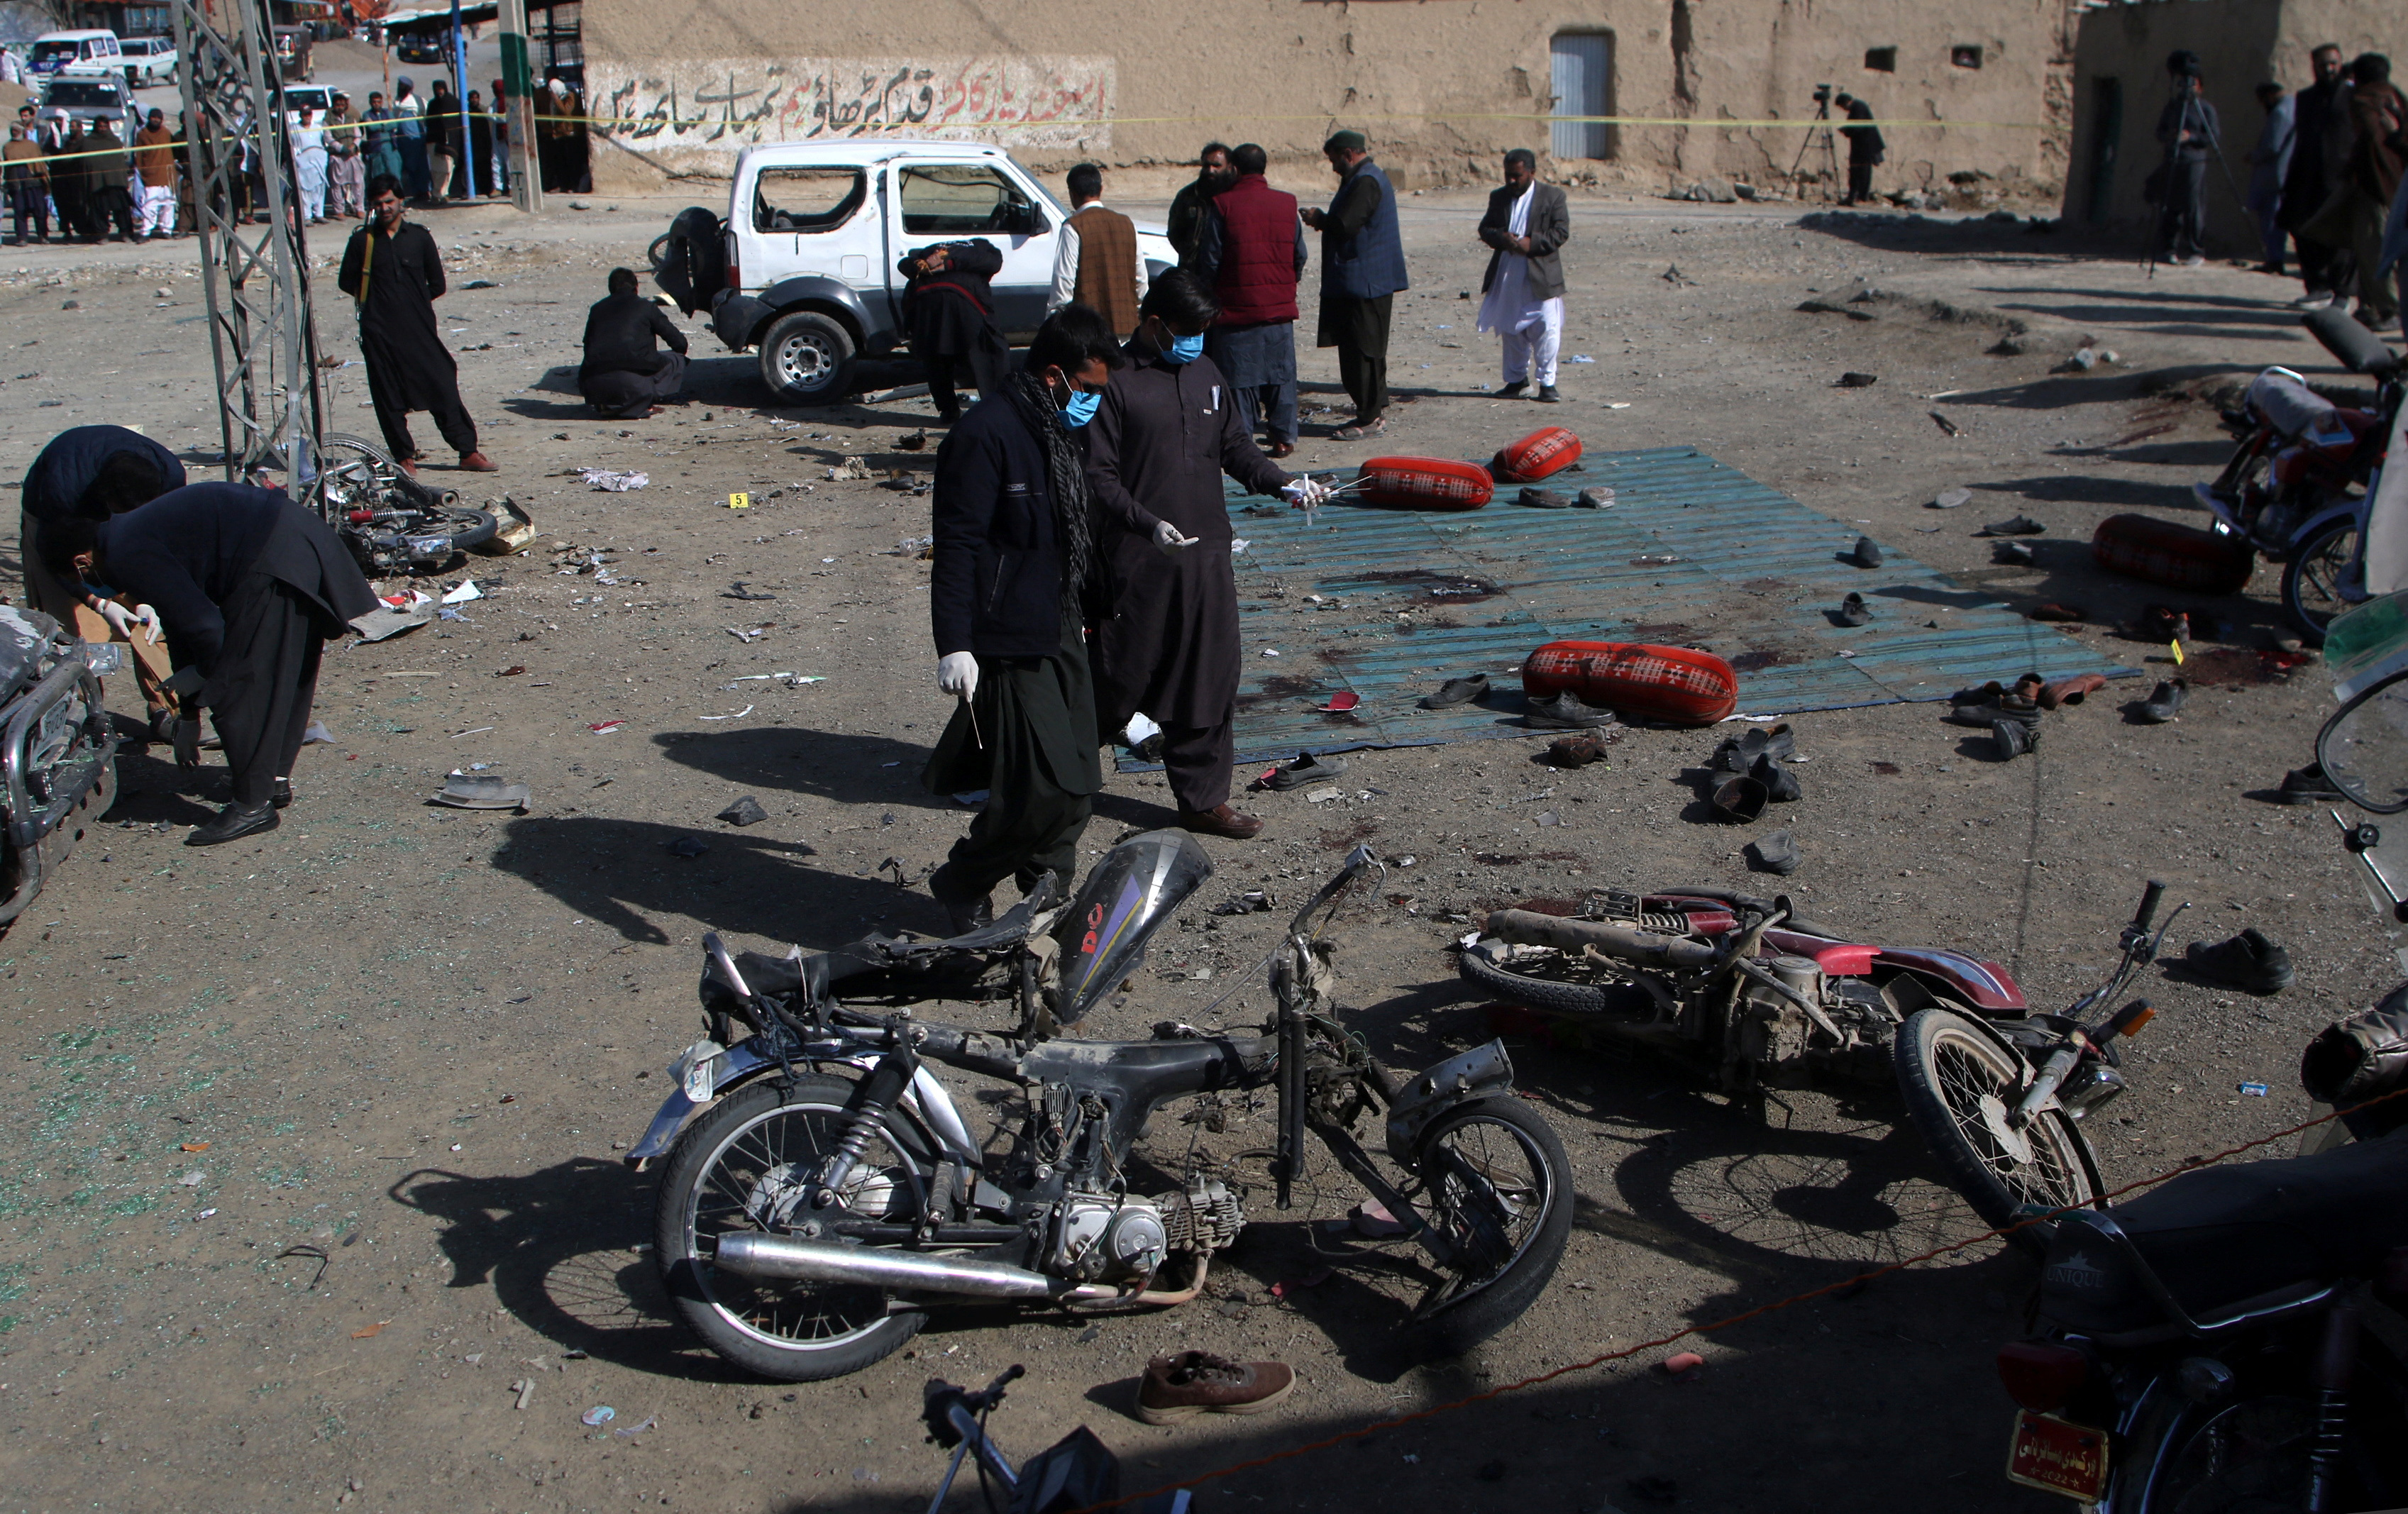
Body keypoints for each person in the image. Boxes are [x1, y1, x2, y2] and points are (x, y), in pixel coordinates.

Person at [1085, 271, 1325, 842]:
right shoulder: (1114, 383)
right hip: (1136, 564)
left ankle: (1202, 799)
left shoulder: (1206, 374)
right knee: (1117, 679)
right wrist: (1147, 524)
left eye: (1203, 330)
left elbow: (1235, 447)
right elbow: (1098, 476)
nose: (1196, 340)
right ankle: (1049, 773)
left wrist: (1283, 483)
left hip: (1206, 559)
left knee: (1208, 677)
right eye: (1188, 330)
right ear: (1155, 324)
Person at [919, 305, 1127, 934]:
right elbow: (957, 545)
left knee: (1080, 783)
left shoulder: (1058, 432)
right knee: (1042, 789)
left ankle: (1046, 891)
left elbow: (1071, 530)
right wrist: (955, 643)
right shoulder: (986, 435)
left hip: (1061, 622)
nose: (1093, 402)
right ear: (1055, 374)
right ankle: (963, 882)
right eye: (1087, 388)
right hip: (1007, 636)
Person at [35, 481, 376, 846]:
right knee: (283, 672)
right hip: (290, 540)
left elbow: (206, 629)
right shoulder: (125, 535)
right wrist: (188, 715)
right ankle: (271, 780)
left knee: (238, 685)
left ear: (81, 562)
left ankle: (252, 804)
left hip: (270, 556)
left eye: (81, 579)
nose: (90, 586)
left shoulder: (124, 554)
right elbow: (181, 622)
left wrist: (206, 681)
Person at [20, 424, 185, 735]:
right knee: (70, 632)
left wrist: (149, 597)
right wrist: (97, 601)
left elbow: (165, 546)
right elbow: (57, 562)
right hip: (55, 524)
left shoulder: (170, 475)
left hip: (117, 516)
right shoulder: (61, 492)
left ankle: (168, 708)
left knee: (154, 623)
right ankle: (81, 715)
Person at [337, 175, 497, 473]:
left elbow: (437, 284)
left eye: (389, 201)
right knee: (388, 394)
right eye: (378, 204)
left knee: (442, 384)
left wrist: (411, 303)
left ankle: (467, 452)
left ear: (401, 202)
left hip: (419, 329)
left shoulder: (419, 238)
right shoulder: (362, 241)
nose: (385, 208)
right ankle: (403, 457)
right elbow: (347, 281)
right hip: (379, 331)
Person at [1195, 141, 1308, 458]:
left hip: (1236, 312)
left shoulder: (1223, 205)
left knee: (1239, 381)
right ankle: (1283, 437)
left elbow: (1211, 261)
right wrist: (1286, 284)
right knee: (1281, 377)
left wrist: (1208, 297)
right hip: (1278, 310)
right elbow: (1299, 254)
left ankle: (1243, 442)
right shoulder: (1286, 203)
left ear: (1234, 169)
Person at [1300, 129, 1407, 439]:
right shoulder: (1364, 178)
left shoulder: (1366, 181)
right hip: (1362, 281)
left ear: (1348, 154)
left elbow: (1346, 225)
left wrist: (1319, 219)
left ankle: (1370, 417)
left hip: (1366, 282)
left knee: (1363, 352)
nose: (1333, 167)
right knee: (1363, 350)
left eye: (1334, 159)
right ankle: (1372, 412)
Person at [1476, 148, 1571, 403]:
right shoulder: (1499, 197)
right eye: (1508, 175)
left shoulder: (1553, 196)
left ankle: (1548, 384)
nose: (1511, 180)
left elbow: (1561, 232)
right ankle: (1516, 381)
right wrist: (1502, 238)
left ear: (1532, 172)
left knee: (1546, 328)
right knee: (1511, 328)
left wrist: (1531, 243)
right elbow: (1485, 229)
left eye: (1517, 176)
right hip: (1508, 274)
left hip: (1542, 276)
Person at [900, 236, 1010, 424]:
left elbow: (903, 265)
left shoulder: (930, 249)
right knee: (990, 350)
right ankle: (996, 409)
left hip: (924, 298)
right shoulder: (981, 247)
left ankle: (948, 410)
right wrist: (936, 265)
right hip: (965, 298)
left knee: (936, 355)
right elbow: (994, 262)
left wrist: (938, 264)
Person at [2336, 55, 2404, 325]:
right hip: (2394, 187)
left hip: (2376, 189)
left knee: (2374, 250)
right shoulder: (2397, 97)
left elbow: (2371, 142)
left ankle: (2390, 309)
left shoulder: (2365, 101)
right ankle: (2372, 306)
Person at [2282, 45, 2353, 307]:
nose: (2329, 69)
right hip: (2308, 177)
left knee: (2342, 240)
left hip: (2341, 179)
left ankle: (2342, 292)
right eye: (2323, 65)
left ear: (2340, 63)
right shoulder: (2306, 98)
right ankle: (2317, 286)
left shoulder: (2352, 96)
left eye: (2333, 63)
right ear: (2314, 67)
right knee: (2304, 231)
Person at [1048, 161, 1146, 337]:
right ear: (1101, 189)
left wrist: (1054, 327)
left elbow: (1063, 284)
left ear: (1072, 193)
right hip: (1127, 330)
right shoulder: (1127, 224)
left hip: (1090, 334)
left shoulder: (1073, 227)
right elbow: (1141, 282)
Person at [578, 266, 688, 417]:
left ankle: (610, 404)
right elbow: (679, 343)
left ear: (611, 289)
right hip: (634, 384)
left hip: (594, 384)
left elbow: (588, 347)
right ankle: (645, 402)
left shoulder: (596, 309)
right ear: (636, 288)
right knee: (677, 359)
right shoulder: (646, 307)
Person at [2153, 51, 2219, 266]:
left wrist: (2191, 137)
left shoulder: (2205, 109)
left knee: (2193, 207)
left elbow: (2213, 137)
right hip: (2173, 158)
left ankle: (2195, 250)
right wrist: (2170, 136)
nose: (2188, 87)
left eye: (2193, 84)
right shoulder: (2173, 107)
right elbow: (2159, 132)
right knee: (2170, 205)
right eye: (2184, 83)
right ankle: (2168, 248)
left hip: (2194, 160)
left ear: (2200, 87)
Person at [2248, 82, 2297, 274]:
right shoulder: (2294, 106)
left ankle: (2274, 260)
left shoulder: (2280, 113)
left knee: (2272, 220)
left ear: (2269, 96)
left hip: (2274, 176)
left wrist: (2254, 157)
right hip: (2286, 174)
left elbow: (2272, 146)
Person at [1166, 141, 1233, 271]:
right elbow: (1175, 232)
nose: (1210, 170)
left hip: (1227, 271)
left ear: (1229, 167)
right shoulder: (1187, 196)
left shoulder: (1236, 196)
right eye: (1207, 165)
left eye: (1217, 166)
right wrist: (1189, 253)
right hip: (1193, 270)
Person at [83, 117, 134, 243]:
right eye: (100, 126)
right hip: (98, 183)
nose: (102, 129)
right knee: (99, 210)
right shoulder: (88, 142)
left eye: (105, 126)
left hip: (115, 182)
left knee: (121, 209)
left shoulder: (114, 141)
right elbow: (86, 163)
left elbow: (119, 161)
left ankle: (125, 233)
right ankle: (102, 234)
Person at [131, 106, 176, 239]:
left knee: (168, 205)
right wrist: (144, 173)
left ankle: (167, 230)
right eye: (153, 117)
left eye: (158, 118)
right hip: (151, 176)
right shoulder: (142, 134)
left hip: (167, 176)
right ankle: (146, 231)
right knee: (149, 206)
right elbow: (139, 156)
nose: (155, 120)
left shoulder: (166, 133)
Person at [1835, 91, 1885, 205]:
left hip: (1865, 147)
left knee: (1863, 172)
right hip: (1860, 146)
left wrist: (1846, 131)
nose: (1843, 109)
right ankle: (1853, 196)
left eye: (1843, 106)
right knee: (1855, 172)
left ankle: (1861, 197)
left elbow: (1858, 127)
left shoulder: (1858, 107)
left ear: (1847, 102)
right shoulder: (1856, 108)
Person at [4, 122, 46, 245]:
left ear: (22, 131)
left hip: (33, 181)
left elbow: (40, 164)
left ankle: (42, 235)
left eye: (17, 130)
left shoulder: (32, 145)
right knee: (20, 210)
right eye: (12, 130)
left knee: (40, 210)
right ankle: (22, 237)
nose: (14, 132)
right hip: (17, 181)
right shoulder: (8, 147)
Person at [51, 118, 92, 242]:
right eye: (70, 127)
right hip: (65, 181)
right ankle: (67, 231)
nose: (71, 129)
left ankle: (84, 231)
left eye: (73, 127)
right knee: (64, 207)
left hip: (79, 181)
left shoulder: (85, 142)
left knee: (80, 207)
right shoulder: (67, 141)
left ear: (80, 127)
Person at [390, 77, 429, 201]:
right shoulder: (397, 101)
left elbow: (426, 115)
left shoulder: (417, 101)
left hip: (416, 139)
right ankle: (416, 192)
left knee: (421, 166)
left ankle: (425, 191)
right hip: (403, 140)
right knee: (410, 166)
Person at [325, 92, 363, 219]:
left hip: (352, 155)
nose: (340, 107)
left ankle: (359, 208)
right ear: (333, 105)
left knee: (357, 182)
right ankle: (339, 210)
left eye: (342, 104)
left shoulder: (351, 118)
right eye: (337, 105)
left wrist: (354, 146)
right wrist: (342, 148)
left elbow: (358, 135)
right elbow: (328, 138)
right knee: (337, 184)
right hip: (337, 156)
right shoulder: (328, 120)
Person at [292, 105, 328, 223]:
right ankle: (307, 216)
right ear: (301, 115)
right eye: (305, 114)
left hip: (319, 163)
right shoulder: (294, 128)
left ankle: (319, 214)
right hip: (304, 164)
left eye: (309, 114)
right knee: (305, 190)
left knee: (320, 188)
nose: (307, 117)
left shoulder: (318, 127)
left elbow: (325, 142)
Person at [360, 89, 402, 192]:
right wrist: (384, 124)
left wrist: (380, 125)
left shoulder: (387, 112)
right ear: (370, 102)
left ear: (382, 102)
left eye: (379, 102)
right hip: (376, 148)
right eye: (374, 102)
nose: (376, 104)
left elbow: (394, 124)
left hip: (390, 147)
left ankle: (398, 196)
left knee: (394, 174)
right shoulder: (367, 114)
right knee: (379, 176)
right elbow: (371, 127)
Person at [424, 79, 456, 204]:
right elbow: (429, 122)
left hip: (449, 142)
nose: (439, 92)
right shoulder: (432, 104)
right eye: (437, 89)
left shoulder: (452, 102)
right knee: (436, 170)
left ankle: (444, 193)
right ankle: (437, 194)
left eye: (441, 89)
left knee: (447, 169)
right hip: (434, 141)